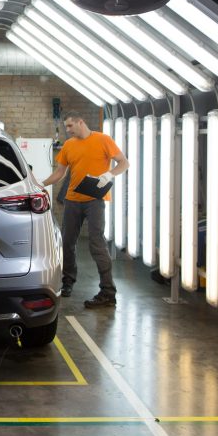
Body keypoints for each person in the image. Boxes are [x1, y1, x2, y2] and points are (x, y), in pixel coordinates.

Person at [41, 112, 129, 308]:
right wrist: (40, 184)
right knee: (66, 243)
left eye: (70, 126)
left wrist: (109, 175)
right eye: (66, 127)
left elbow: (124, 162)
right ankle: (67, 281)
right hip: (72, 200)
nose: (68, 130)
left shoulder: (103, 140)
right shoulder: (68, 145)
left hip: (95, 200)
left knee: (97, 244)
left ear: (81, 122)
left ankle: (108, 292)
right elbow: (59, 173)